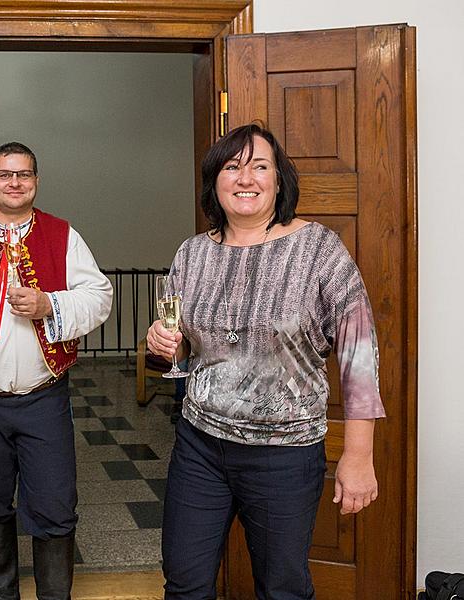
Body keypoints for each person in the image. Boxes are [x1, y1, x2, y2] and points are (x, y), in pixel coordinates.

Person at [146, 123, 386, 599]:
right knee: (185, 583)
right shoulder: (191, 254)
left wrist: (359, 455)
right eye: (232, 167)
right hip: (199, 447)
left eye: (260, 166)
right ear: (215, 181)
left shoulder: (319, 249)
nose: (245, 178)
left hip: (285, 454)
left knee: (282, 589)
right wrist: (163, 345)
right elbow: (181, 345)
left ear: (279, 180)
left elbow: (359, 354)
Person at [0, 142, 113, 600]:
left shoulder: (63, 234)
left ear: (36, 181)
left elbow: (101, 296)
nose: (14, 182)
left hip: (43, 398)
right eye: (5, 174)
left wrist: (50, 302)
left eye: (24, 175)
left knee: (55, 506)